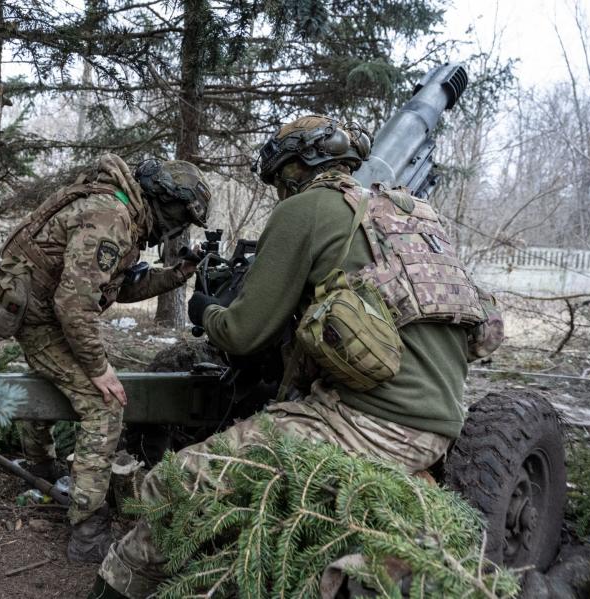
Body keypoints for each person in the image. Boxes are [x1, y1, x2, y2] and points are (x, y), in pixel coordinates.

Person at [88, 115, 502, 598]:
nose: (280, 189)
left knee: (175, 483)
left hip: (367, 423)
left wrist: (209, 310)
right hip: (442, 425)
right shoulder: (412, 216)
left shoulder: (305, 210)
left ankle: (114, 590)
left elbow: (243, 335)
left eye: (281, 176)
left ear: (294, 169)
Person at [0, 154, 211, 563]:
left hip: (46, 313)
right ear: (167, 204)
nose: (177, 228)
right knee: (105, 405)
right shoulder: (111, 215)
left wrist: (177, 274)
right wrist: (98, 368)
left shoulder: (122, 208)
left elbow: (115, 288)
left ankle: (40, 467)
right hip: (42, 320)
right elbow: (74, 305)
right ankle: (88, 532)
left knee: (60, 381)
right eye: (181, 217)